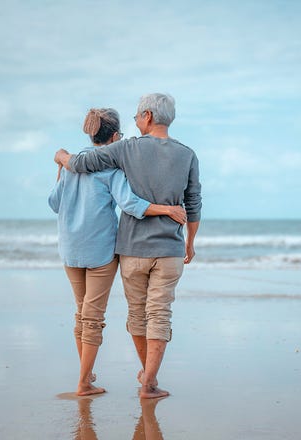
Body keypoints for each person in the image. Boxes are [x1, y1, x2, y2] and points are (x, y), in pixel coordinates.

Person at [55, 93, 201, 398]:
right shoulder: (183, 155)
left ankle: (109, 374)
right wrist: (182, 231)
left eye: (137, 116)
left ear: (147, 116)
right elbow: (176, 203)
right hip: (137, 250)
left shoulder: (114, 153)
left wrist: (61, 160)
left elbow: (67, 184)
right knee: (145, 314)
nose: (135, 123)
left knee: (110, 313)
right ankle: (134, 380)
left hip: (102, 250)